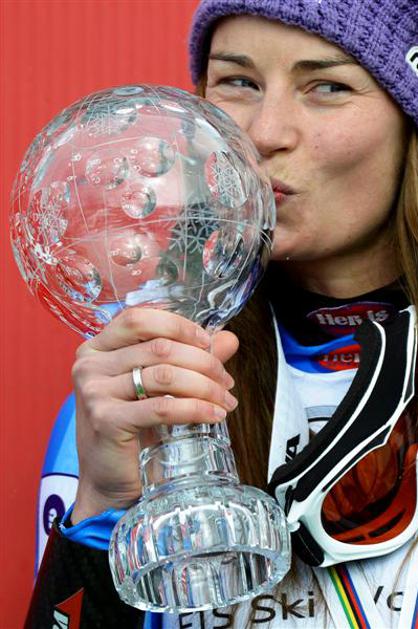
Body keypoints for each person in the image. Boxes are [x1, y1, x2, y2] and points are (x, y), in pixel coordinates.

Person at [25, 0, 418, 627]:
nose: (264, 133)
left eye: (327, 87)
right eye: (238, 81)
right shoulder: (140, 391)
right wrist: (104, 509)